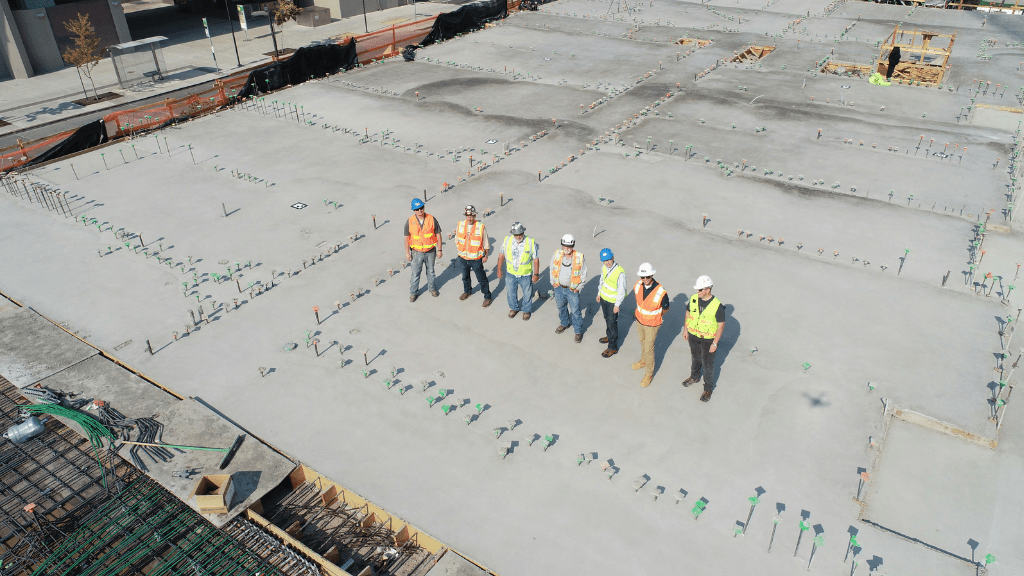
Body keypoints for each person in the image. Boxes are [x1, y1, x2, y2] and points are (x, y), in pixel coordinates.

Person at [683, 275, 725, 402]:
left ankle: (708, 388)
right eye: (697, 289)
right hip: (693, 336)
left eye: (700, 289)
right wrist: (686, 329)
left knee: (707, 365)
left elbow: (721, 325)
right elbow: (688, 313)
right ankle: (694, 377)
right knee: (695, 357)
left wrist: (715, 343)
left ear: (708, 289)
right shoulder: (694, 298)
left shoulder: (717, 305)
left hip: (708, 340)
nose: (698, 292)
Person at [632, 263, 669, 388]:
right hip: (640, 320)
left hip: (652, 324)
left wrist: (656, 317)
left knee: (649, 348)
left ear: (652, 275)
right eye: (643, 277)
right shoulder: (638, 285)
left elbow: (666, 308)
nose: (645, 279)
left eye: (647, 277)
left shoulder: (660, 292)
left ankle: (649, 374)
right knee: (642, 341)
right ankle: (643, 361)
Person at [496, 222, 539, 320]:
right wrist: (499, 269)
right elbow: (501, 255)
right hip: (511, 273)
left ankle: (526, 310)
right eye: (516, 235)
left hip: (525, 274)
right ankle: (514, 308)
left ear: (523, 232)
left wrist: (536, 274)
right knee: (511, 292)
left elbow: (536, 259)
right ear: (513, 234)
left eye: (520, 234)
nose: (519, 236)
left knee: (527, 293)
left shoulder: (530, 242)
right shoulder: (507, 240)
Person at [452, 205, 491, 307]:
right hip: (463, 258)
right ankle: (467, 291)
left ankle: (487, 296)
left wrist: (485, 255)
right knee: (465, 277)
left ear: (475, 215)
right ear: (465, 215)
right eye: (468, 216)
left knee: (481, 278)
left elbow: (486, 242)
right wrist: (460, 251)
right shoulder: (460, 224)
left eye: (471, 216)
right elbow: (457, 239)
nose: (469, 218)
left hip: (476, 259)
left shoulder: (480, 226)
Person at [550, 234, 587, 343]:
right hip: (558, 288)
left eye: (569, 247)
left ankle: (578, 331)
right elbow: (552, 267)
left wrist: (578, 288)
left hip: (572, 290)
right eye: (564, 246)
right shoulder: (557, 254)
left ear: (573, 246)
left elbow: (583, 274)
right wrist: (553, 282)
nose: (566, 249)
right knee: (561, 307)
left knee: (575, 311)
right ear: (562, 245)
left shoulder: (579, 257)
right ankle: (564, 323)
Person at [404, 198, 441, 302]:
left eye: (421, 208)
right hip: (416, 253)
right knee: (415, 274)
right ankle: (413, 293)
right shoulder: (409, 221)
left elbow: (438, 234)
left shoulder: (432, 219)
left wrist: (440, 250)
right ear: (414, 210)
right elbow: (406, 238)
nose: (420, 210)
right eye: (417, 209)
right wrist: (407, 253)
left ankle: (432, 288)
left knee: (431, 271)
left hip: (430, 251)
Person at [596, 248, 625, 358]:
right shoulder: (604, 268)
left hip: (613, 302)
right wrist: (599, 293)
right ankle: (609, 336)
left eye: (609, 259)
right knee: (607, 319)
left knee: (612, 323)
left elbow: (622, 290)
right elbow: (602, 281)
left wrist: (617, 304)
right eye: (605, 260)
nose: (607, 262)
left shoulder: (620, 272)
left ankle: (612, 347)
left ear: (613, 257)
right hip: (604, 298)